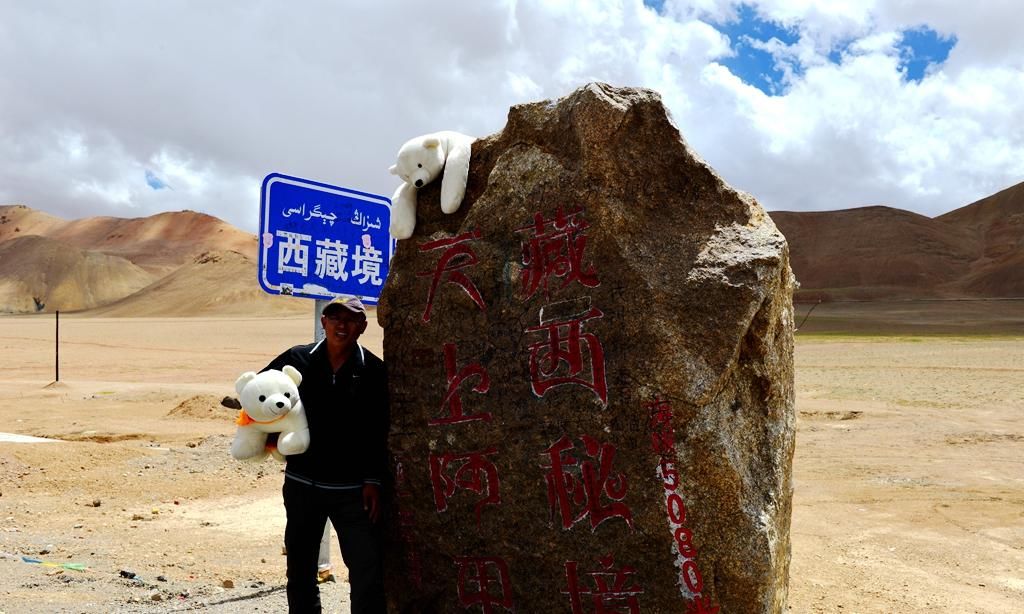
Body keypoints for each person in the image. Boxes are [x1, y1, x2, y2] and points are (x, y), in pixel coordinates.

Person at [263, 295, 388, 613]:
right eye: (334, 317)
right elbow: (261, 395)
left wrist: (374, 479)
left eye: (349, 319)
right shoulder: (297, 360)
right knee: (300, 570)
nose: (341, 325)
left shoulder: (373, 370)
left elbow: (380, 429)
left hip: (353, 492)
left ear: (362, 326)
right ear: (324, 322)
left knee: (366, 571)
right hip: (302, 485)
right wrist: (268, 437)